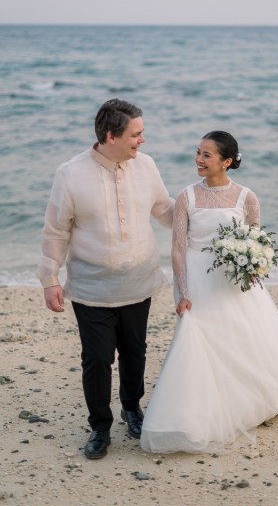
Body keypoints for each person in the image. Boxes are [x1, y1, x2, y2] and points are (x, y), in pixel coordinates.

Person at [140, 131, 278, 453]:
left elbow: (257, 244)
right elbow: (177, 249)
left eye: (207, 155)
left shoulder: (247, 197)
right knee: (197, 340)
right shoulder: (186, 197)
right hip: (196, 279)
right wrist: (184, 292)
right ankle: (193, 413)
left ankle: (246, 402)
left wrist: (249, 271)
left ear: (226, 162)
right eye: (198, 152)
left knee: (241, 337)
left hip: (232, 280)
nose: (198, 160)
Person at [37, 98, 174, 459]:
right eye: (136, 134)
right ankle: (100, 426)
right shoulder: (70, 173)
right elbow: (55, 231)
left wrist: (207, 212)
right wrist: (50, 279)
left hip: (139, 282)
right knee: (97, 358)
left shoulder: (146, 166)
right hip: (91, 288)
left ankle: (132, 408)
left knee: (135, 352)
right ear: (111, 136)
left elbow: (166, 210)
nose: (142, 140)